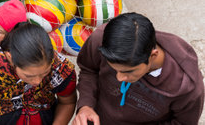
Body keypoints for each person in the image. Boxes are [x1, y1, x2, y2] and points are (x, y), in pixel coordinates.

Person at [73, 12, 204, 125]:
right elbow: (88, 70)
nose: (119, 78)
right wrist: (86, 105)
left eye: (128, 71)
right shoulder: (101, 40)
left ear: (153, 55)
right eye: (114, 69)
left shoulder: (188, 89)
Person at [0, 22, 77, 125]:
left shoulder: (60, 68)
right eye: (29, 76)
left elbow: (67, 102)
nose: (38, 82)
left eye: (45, 73)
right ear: (10, 57)